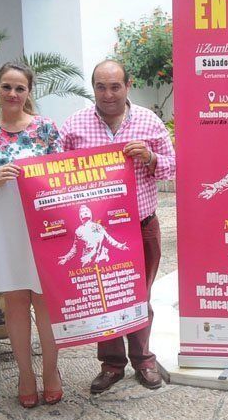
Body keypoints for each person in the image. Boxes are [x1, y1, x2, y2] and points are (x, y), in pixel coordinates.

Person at [59, 60, 175, 394]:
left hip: (141, 226)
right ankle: (111, 365)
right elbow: (55, 175)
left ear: (127, 85)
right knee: (103, 294)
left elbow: (172, 167)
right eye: (101, 87)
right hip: (96, 230)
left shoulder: (148, 122)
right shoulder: (75, 126)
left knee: (140, 294)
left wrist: (150, 158)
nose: (108, 95)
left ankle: (144, 360)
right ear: (92, 87)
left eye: (115, 87)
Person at [0, 62, 63, 409]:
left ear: (29, 91)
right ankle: (25, 374)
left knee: (45, 302)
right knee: (15, 303)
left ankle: (51, 370)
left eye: (20, 88)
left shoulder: (47, 129)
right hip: (1, 222)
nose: (13, 94)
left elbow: (66, 175)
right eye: (7, 87)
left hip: (42, 223)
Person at [58, 204, 129, 266]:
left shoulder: (97, 226)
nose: (85, 213)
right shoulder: (78, 231)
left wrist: (120, 246)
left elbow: (108, 238)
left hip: (99, 256)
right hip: (87, 259)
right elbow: (75, 248)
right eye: (83, 211)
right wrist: (66, 258)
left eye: (86, 211)